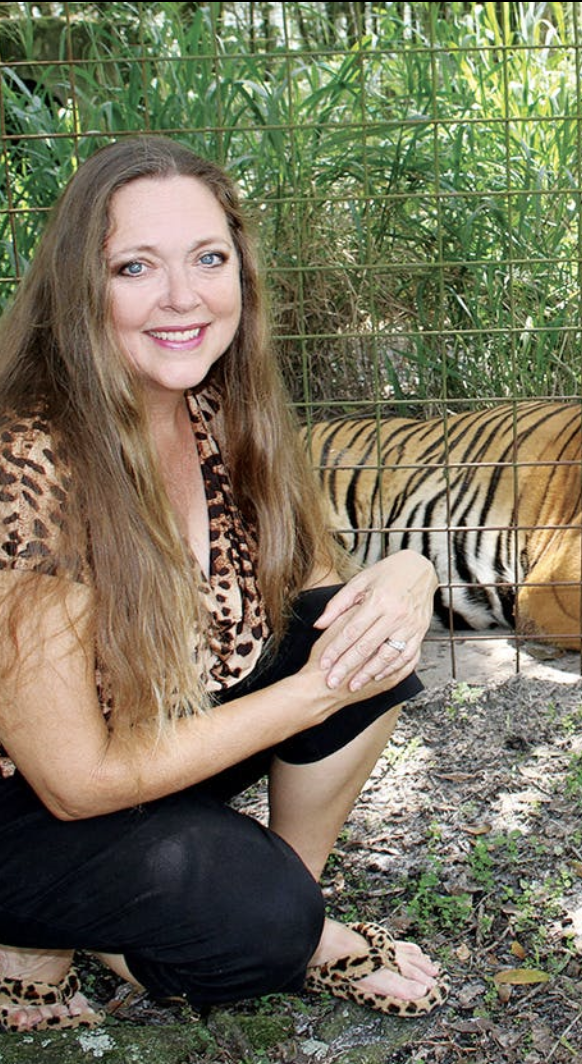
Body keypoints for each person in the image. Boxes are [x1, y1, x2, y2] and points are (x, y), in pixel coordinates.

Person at [0, 136, 447, 1030]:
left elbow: (319, 592)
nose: (183, 297)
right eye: (135, 266)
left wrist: (410, 575)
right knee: (264, 923)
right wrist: (309, 697)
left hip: (142, 745)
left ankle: (262, 895)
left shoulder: (210, 405)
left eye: (208, 259)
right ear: (79, 289)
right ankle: (59, 928)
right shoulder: (27, 464)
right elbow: (76, 781)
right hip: (28, 801)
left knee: (363, 640)